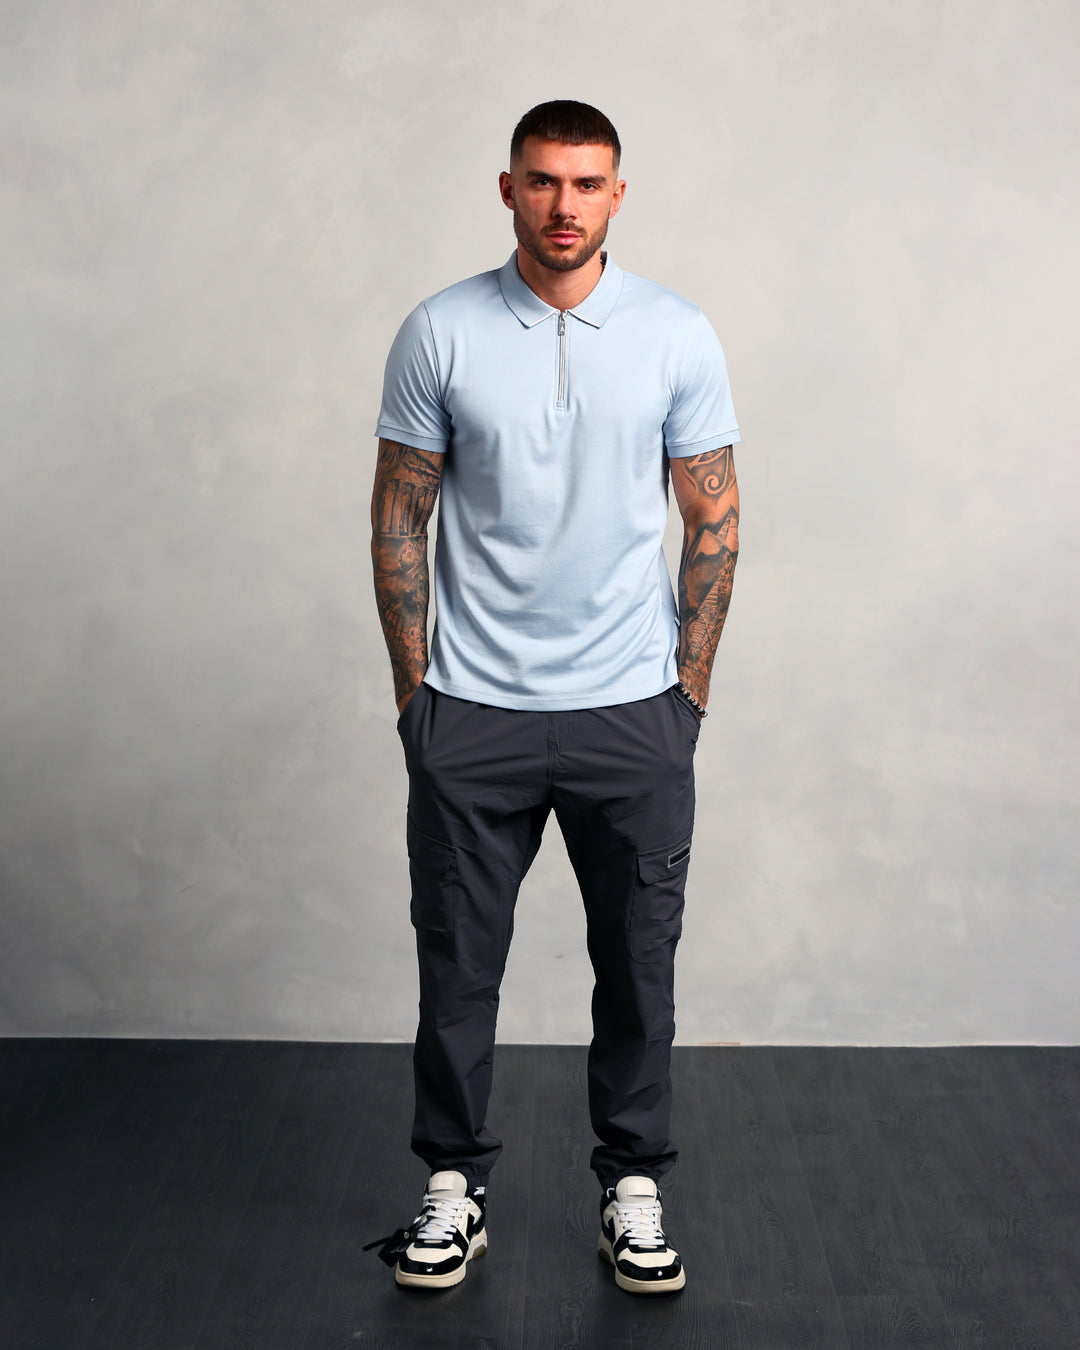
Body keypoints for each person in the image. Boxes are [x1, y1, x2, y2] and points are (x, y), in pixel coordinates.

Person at [368, 99, 740, 1295]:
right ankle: (451, 1186)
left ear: (618, 194)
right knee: (456, 966)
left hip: (632, 712)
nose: (564, 205)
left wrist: (684, 696)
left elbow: (715, 519)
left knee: (638, 966)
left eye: (587, 183)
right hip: (472, 710)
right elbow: (399, 514)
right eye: (542, 181)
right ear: (508, 189)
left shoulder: (676, 332)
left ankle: (633, 1188)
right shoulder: (442, 329)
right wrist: (417, 697)